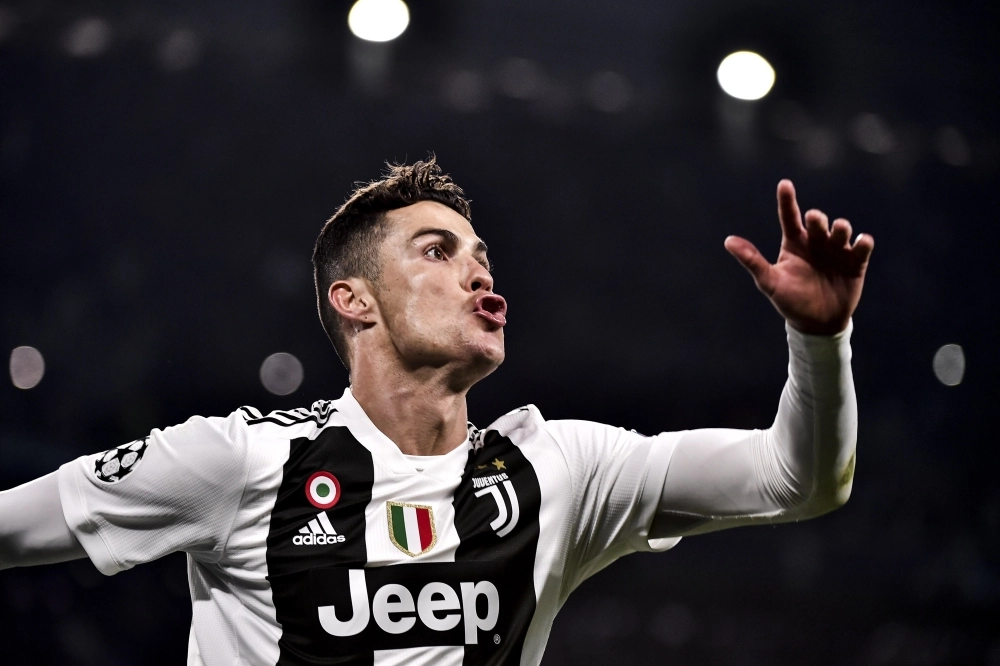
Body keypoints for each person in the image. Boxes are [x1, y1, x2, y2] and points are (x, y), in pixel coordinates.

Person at [0, 157, 874, 665]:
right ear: (355, 300)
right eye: (438, 251)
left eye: (481, 255)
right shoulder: (239, 462)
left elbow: (797, 479)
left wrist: (819, 341)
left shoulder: (559, 471)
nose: (479, 271)